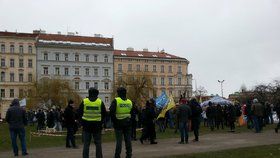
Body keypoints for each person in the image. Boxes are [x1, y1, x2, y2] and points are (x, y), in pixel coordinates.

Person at [78, 87, 106, 158]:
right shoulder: (100, 102)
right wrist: (101, 123)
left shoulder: (84, 101)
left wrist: (81, 123)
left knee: (86, 144)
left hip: (86, 126)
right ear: (97, 94)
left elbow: (79, 113)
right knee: (98, 143)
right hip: (97, 126)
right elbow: (104, 114)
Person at [110, 87, 133, 158]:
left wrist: (115, 122)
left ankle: (117, 156)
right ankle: (129, 155)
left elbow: (111, 112)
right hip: (128, 123)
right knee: (128, 140)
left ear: (118, 93)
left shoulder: (116, 101)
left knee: (119, 141)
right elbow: (133, 112)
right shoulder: (129, 101)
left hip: (118, 124)